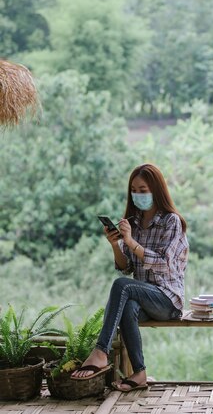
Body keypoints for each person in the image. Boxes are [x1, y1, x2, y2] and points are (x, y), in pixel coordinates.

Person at [71, 163, 189, 392]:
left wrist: (132, 243)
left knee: (122, 286)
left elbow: (165, 264)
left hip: (167, 300)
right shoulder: (133, 223)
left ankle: (100, 351)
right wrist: (116, 243)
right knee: (127, 304)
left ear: (156, 190)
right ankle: (140, 372)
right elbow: (125, 267)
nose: (138, 195)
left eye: (144, 190)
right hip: (143, 296)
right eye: (134, 190)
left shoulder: (171, 222)